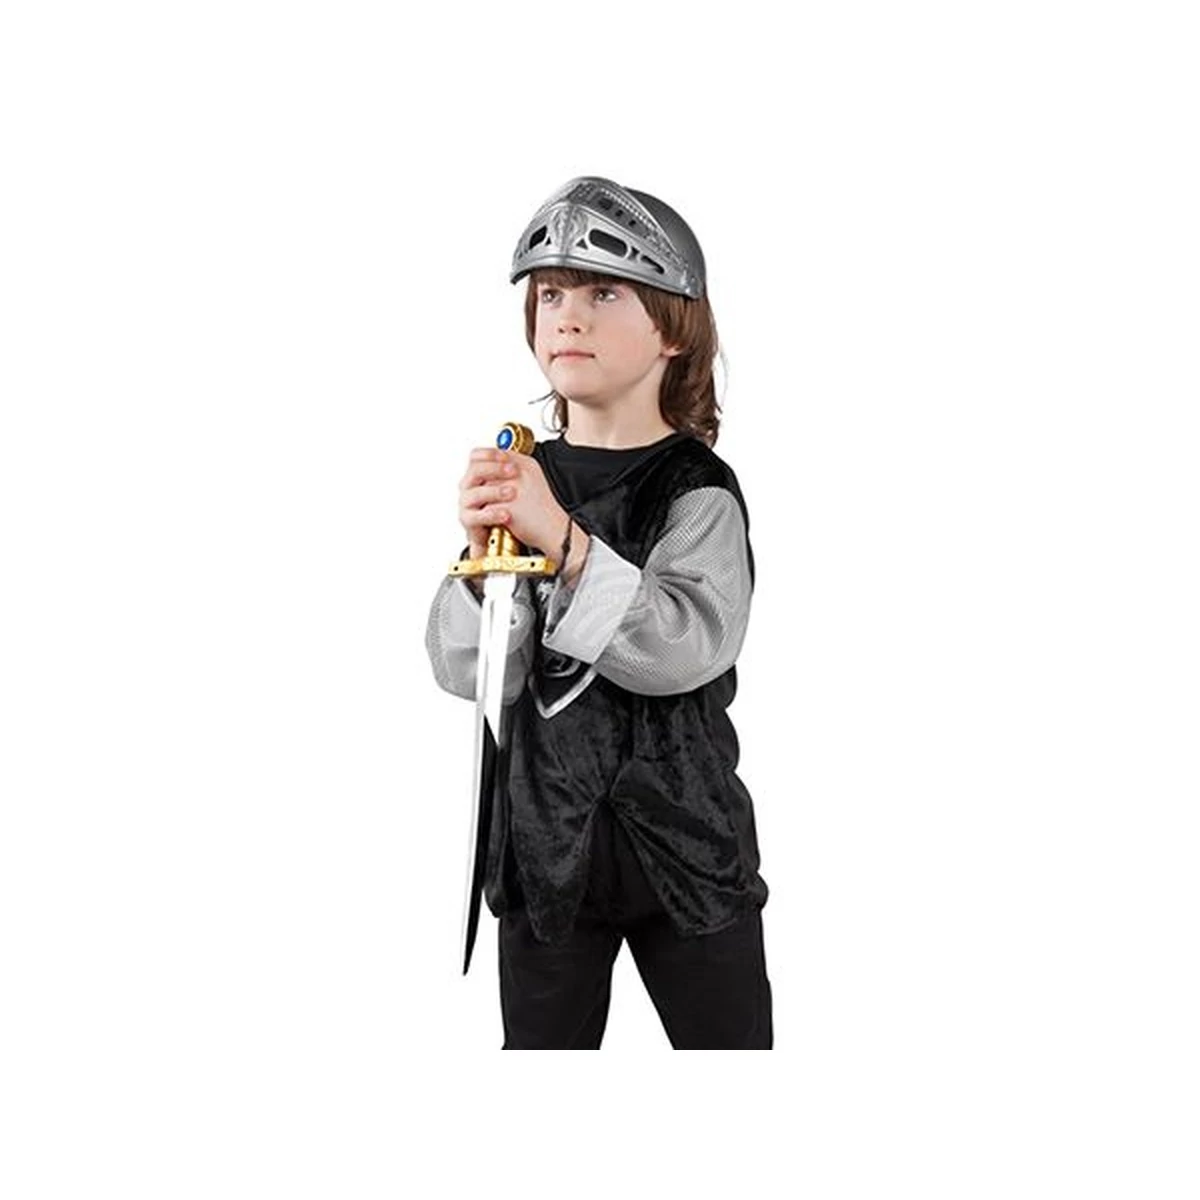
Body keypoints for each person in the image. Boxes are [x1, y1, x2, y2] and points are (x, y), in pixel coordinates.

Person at [425, 176, 772, 1049]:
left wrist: (564, 542)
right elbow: (475, 673)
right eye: (550, 296)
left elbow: (686, 645)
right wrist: (485, 564)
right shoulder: (525, 476)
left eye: (604, 293)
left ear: (672, 328)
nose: (567, 318)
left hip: (685, 848)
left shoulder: (695, 490)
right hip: (548, 848)